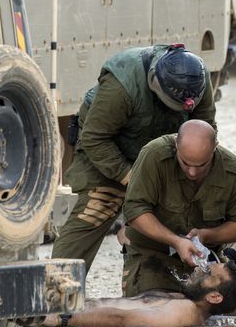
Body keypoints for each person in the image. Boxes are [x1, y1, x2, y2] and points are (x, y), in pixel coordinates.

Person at [52, 44, 216, 273]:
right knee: (93, 213)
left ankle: (164, 290)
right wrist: (132, 178)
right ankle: (53, 296)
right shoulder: (122, 85)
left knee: (186, 212)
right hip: (107, 153)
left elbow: (205, 131)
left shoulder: (198, 79)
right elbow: (95, 138)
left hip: (162, 150)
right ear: (155, 84)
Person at [121, 120, 236, 316]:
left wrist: (206, 236)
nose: (193, 172)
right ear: (176, 144)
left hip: (205, 259)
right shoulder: (154, 155)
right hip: (153, 253)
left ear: (215, 147)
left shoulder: (235, 172)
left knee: (230, 319)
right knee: (150, 315)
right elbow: (134, 210)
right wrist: (176, 241)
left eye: (202, 165)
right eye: (185, 163)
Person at [42, 262, 236, 327]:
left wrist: (62, 318)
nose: (199, 269)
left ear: (214, 297)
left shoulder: (185, 311)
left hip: (65, 323)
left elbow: (122, 319)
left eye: (208, 273)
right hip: (65, 315)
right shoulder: (182, 300)